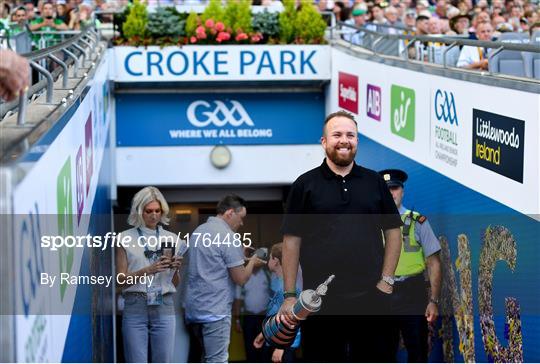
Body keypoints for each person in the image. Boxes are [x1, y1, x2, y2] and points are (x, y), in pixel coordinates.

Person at [277, 110, 403, 362]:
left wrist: (386, 280)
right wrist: (290, 295)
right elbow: (291, 241)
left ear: (357, 141)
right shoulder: (305, 185)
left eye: (350, 135)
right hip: (319, 301)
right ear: (324, 142)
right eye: (337, 134)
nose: (344, 140)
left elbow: (393, 231)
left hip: (372, 297)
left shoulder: (374, 182)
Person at [184, 194, 266, 363]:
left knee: (202, 358)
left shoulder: (198, 232)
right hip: (215, 312)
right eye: (241, 218)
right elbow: (241, 279)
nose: (242, 223)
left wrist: (240, 257)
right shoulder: (228, 237)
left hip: (194, 311)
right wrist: (253, 262)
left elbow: (212, 265)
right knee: (217, 360)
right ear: (230, 213)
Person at [378, 169, 442, 362]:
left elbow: (434, 263)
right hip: (381, 294)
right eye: (386, 189)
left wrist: (434, 301)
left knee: (417, 350)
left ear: (402, 191)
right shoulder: (371, 224)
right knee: (382, 352)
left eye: (395, 188)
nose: (391, 193)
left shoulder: (418, 221)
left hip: (412, 293)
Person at [116, 186, 184, 363]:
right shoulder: (124, 237)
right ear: (139, 211)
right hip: (135, 303)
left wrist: (176, 268)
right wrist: (148, 270)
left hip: (164, 303)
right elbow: (120, 280)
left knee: (164, 360)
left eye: (157, 211)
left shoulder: (173, 239)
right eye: (148, 211)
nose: (154, 215)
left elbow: (174, 283)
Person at [253, 242, 303, 363]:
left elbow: (294, 319)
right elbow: (275, 314)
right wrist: (264, 334)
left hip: (284, 345)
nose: (268, 260)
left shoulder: (289, 288)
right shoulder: (276, 281)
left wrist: (281, 347)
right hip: (273, 339)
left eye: (270, 257)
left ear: (275, 261)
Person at [232, 247, 271, 363]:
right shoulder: (243, 276)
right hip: (248, 318)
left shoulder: (267, 275)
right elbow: (238, 300)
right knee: (250, 349)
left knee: (265, 350)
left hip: (264, 317)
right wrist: (237, 321)